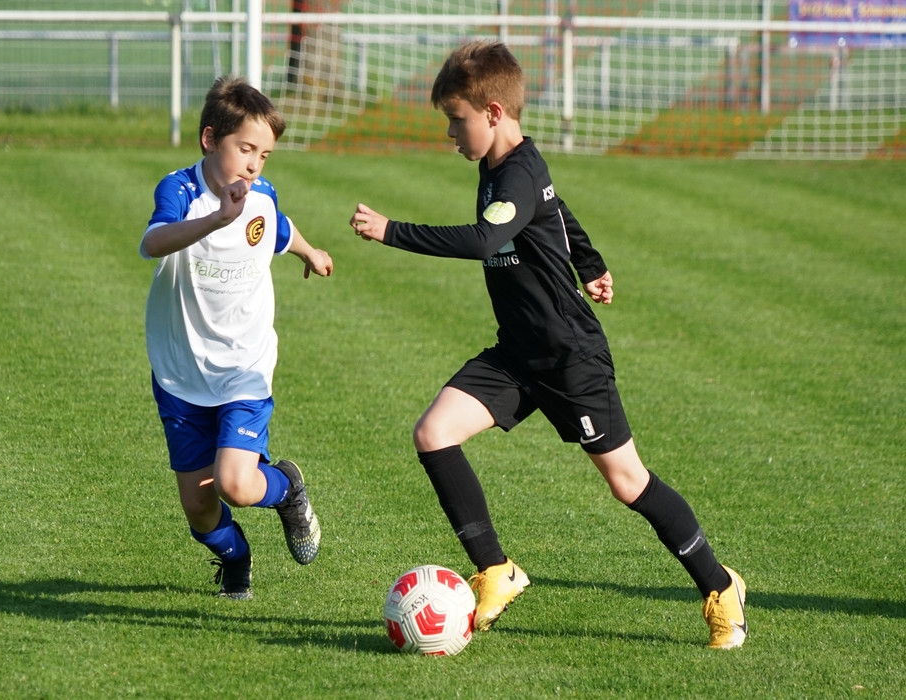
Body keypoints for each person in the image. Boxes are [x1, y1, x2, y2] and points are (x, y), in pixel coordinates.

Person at [349, 41, 747, 649]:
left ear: (492, 113)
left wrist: (391, 231)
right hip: (517, 355)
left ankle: (720, 587)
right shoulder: (504, 166)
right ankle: (496, 570)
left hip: (569, 357)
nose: (450, 133)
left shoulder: (516, 172)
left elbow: (485, 240)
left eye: (456, 120)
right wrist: (590, 262)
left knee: (628, 482)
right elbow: (556, 209)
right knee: (433, 433)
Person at [141, 76, 332, 600]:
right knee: (200, 508)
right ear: (210, 139)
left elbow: (279, 227)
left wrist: (310, 252)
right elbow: (154, 242)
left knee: (236, 484)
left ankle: (286, 489)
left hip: (245, 365)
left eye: (264, 155)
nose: (254, 165)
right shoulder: (179, 191)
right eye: (245, 149)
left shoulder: (261, 196)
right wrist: (217, 219)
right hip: (180, 373)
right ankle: (236, 558)